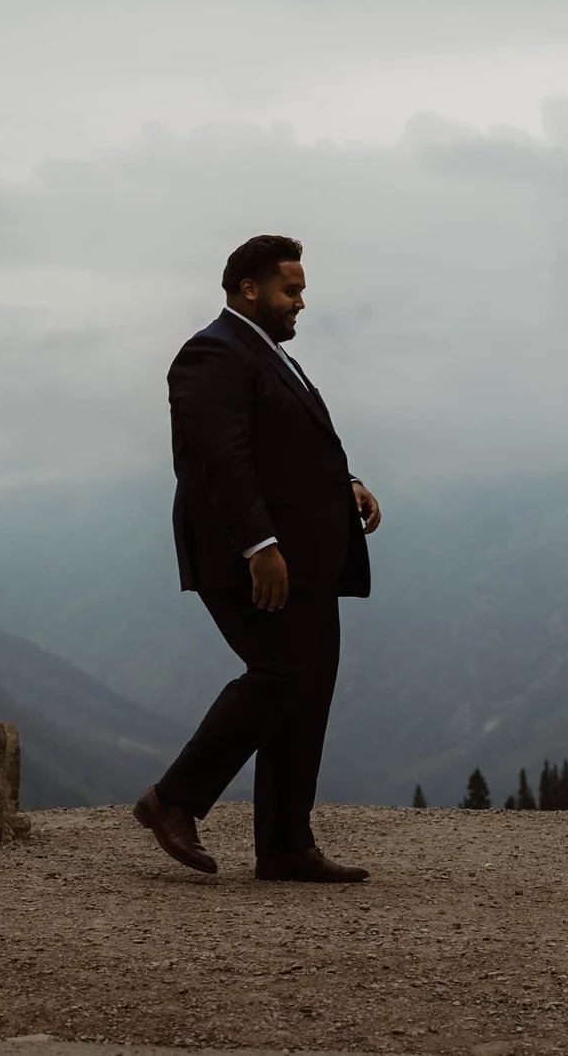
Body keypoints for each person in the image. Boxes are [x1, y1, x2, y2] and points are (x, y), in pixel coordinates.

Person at [130, 234, 382, 882]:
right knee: (281, 671)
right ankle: (174, 799)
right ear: (249, 288)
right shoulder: (211, 352)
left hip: (303, 557)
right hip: (250, 556)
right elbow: (222, 458)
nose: (300, 302)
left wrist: (345, 482)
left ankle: (285, 844)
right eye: (290, 290)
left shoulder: (267, 354)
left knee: (308, 684)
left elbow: (291, 446)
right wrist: (259, 544)